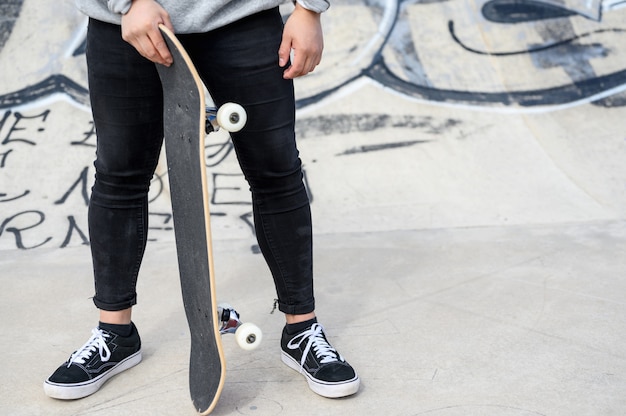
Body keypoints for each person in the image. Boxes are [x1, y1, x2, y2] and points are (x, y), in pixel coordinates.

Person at [44, 0, 359, 402]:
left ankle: (301, 330)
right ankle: (115, 333)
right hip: (126, 23)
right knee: (119, 175)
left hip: (241, 17)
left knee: (276, 172)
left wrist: (309, 10)